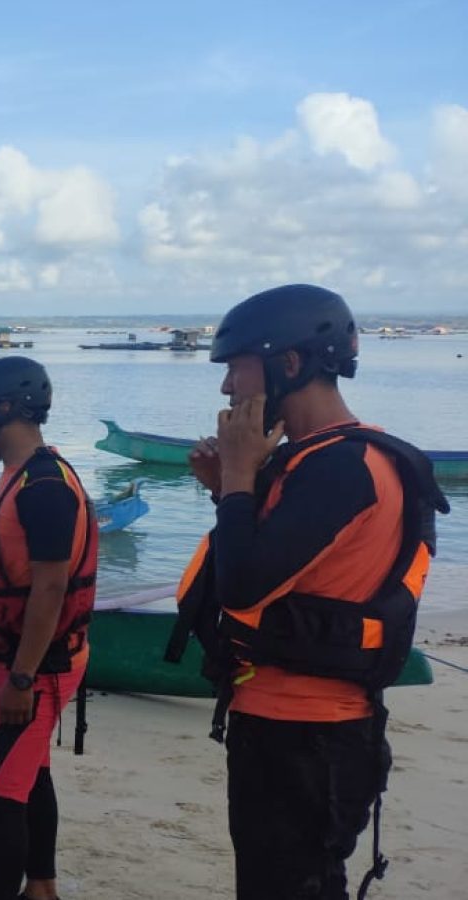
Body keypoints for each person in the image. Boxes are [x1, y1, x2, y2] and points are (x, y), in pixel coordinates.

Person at [173, 284, 448, 900]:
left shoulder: (340, 467)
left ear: (288, 364)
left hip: (309, 739)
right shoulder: (309, 461)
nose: (226, 391)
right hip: (283, 727)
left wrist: (242, 473)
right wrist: (229, 491)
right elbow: (270, 569)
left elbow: (243, 587)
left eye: (236, 369)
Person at [0, 357, 97, 900]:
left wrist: (23, 678)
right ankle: (42, 887)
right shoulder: (18, 476)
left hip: (40, 667)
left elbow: (50, 590)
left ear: (3, 407)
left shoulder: (44, 487)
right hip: (14, 659)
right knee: (29, 775)